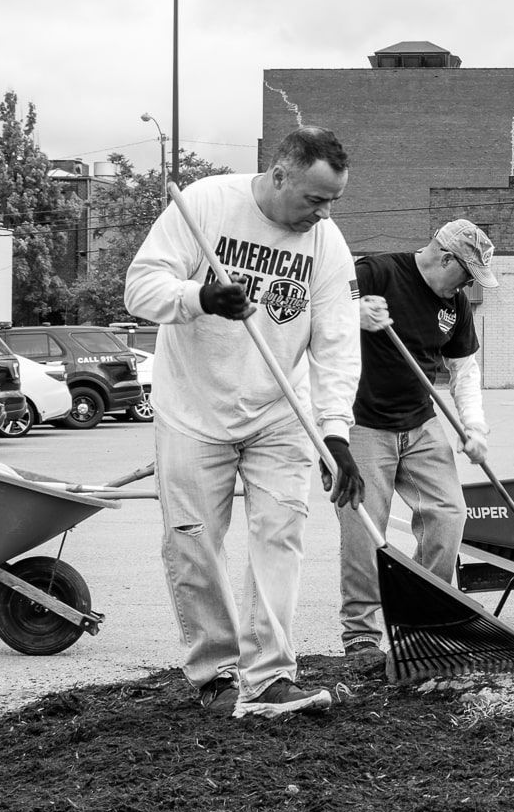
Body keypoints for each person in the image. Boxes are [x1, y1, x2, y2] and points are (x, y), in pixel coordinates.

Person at [124, 126, 365, 718]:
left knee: (281, 533)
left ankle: (270, 676)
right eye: (314, 198)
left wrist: (334, 431)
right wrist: (199, 299)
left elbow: (337, 342)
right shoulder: (205, 204)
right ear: (280, 175)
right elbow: (139, 289)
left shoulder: (326, 244)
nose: (324, 213)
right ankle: (215, 672)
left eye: (333, 200)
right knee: (193, 543)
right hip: (191, 411)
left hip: (281, 414)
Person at [338, 220, 498, 667]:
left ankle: (421, 622)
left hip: (421, 421)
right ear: (445, 258)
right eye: (465, 275)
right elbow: (315, 314)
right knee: (365, 527)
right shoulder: (376, 273)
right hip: (361, 422)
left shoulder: (456, 305)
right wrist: (355, 315)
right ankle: (362, 637)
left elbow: (464, 370)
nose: (466, 286)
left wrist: (475, 428)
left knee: (448, 515)